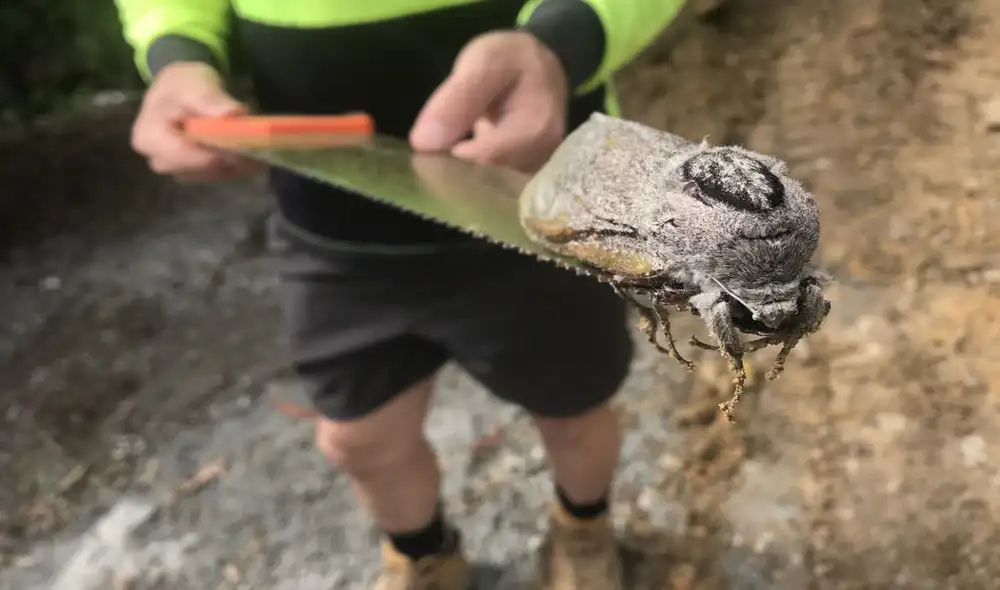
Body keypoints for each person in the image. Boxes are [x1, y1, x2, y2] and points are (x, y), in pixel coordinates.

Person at [114, 0, 687, 588]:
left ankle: (583, 529)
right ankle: (423, 556)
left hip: (537, 203)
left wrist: (561, 41)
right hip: (332, 228)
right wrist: (177, 54)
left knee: (576, 409)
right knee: (360, 439)